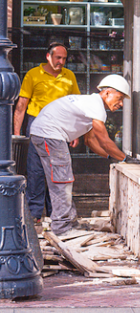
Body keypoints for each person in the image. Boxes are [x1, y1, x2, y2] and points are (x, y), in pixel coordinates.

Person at [29, 74, 130, 236]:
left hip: (46, 132)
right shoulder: (96, 105)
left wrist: (109, 157)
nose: (120, 104)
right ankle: (62, 227)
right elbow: (104, 140)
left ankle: (68, 220)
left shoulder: (90, 106)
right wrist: (124, 158)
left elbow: (90, 141)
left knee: (64, 176)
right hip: (50, 134)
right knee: (62, 178)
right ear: (107, 93)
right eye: (119, 98)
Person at [13, 42, 80, 223]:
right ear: (48, 56)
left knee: (58, 170)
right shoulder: (33, 74)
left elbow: (75, 105)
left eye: (64, 58)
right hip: (37, 125)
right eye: (58, 57)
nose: (61, 61)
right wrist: (17, 134)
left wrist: (75, 133)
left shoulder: (69, 76)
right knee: (35, 170)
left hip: (60, 126)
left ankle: (56, 214)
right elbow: (21, 106)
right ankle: (34, 215)